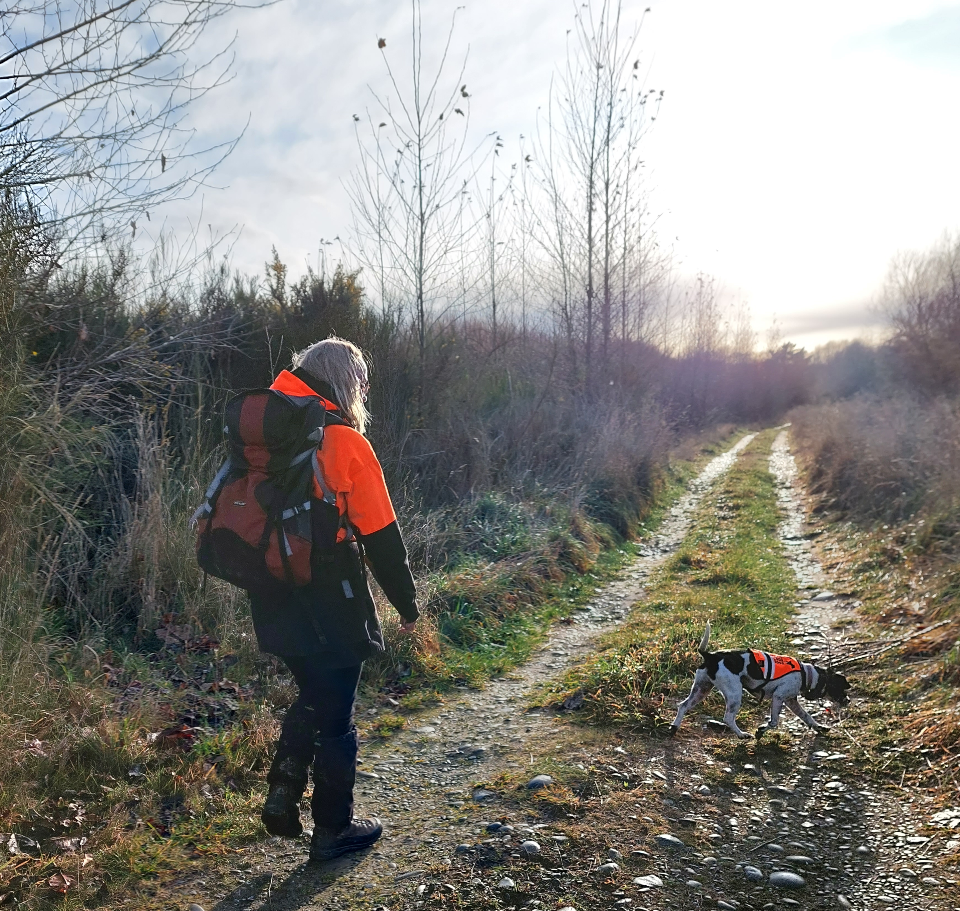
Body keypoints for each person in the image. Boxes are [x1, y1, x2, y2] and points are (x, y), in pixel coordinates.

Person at [251, 337, 418, 862]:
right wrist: (407, 605)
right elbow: (383, 539)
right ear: (349, 384)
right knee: (338, 710)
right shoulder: (345, 443)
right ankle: (333, 830)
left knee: (314, 693)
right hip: (330, 594)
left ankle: (281, 800)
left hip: (271, 587)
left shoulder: (265, 433)